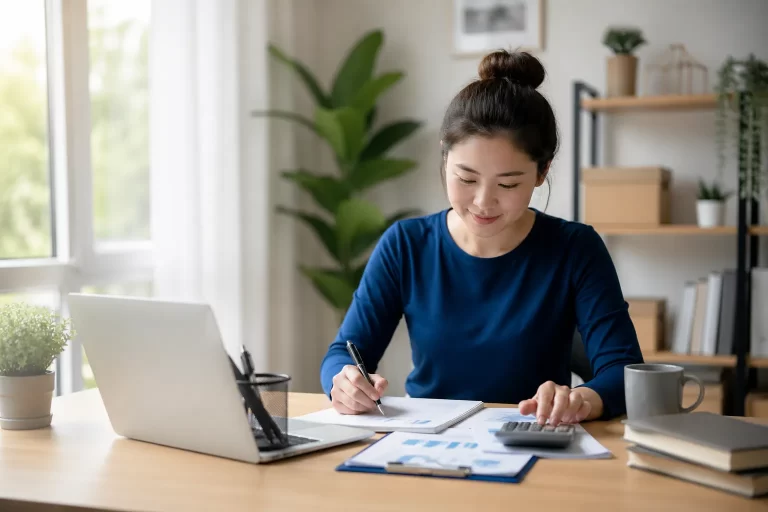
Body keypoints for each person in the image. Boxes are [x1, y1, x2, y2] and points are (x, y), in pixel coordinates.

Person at [319, 49, 644, 426]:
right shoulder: (406, 244)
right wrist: (343, 382)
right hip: (428, 443)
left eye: (508, 183)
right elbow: (343, 352)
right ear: (444, 157)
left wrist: (580, 399)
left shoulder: (575, 248)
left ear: (542, 172)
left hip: (531, 440)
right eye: (466, 178)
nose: (482, 202)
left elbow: (623, 371)